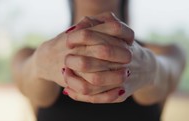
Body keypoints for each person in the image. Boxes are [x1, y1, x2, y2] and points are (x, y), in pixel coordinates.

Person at [12, 0, 186, 121]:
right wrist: (40, 62)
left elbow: (165, 72)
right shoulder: (30, 55)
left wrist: (150, 67)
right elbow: (28, 73)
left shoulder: (167, 52)